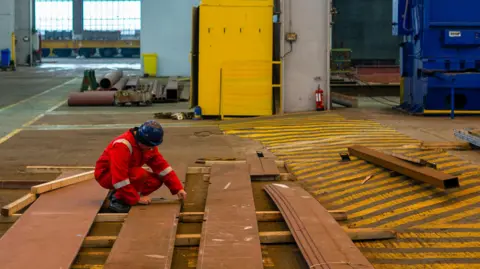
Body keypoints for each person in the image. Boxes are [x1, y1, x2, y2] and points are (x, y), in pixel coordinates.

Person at [94, 120, 187, 213]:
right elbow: (119, 178)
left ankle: (122, 194)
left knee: (155, 181)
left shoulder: (147, 145)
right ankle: (118, 201)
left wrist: (178, 188)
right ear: (141, 141)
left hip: (126, 174)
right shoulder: (122, 146)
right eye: (149, 146)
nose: (151, 149)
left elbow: (162, 167)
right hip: (106, 175)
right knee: (138, 174)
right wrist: (136, 199)